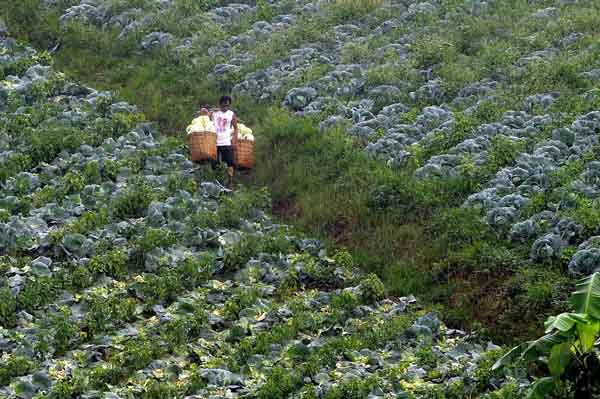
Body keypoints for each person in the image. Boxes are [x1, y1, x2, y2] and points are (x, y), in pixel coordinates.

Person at [212, 95, 238, 188]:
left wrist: (234, 141)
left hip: (226, 142)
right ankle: (217, 183)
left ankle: (230, 183)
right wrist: (210, 110)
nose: (225, 107)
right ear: (220, 104)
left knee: (230, 163)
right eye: (223, 105)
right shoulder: (214, 113)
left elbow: (236, 128)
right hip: (214, 143)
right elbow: (201, 115)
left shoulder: (231, 114)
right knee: (215, 164)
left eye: (227, 105)